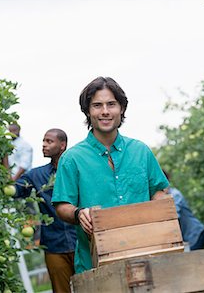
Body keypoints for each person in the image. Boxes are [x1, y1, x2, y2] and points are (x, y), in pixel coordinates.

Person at [52, 76, 169, 274]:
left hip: (145, 257)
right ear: (88, 111)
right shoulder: (72, 158)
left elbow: (158, 191)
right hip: (95, 265)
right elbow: (62, 205)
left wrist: (160, 207)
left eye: (111, 104)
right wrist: (79, 213)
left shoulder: (141, 151)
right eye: (97, 105)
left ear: (121, 108)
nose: (105, 111)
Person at [15, 128, 76, 293]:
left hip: (81, 242)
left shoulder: (75, 169)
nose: (44, 145)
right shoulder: (36, 175)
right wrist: (4, 158)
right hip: (54, 245)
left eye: (49, 141)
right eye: (43, 141)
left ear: (62, 145)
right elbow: (14, 190)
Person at [162, 170, 204, 250]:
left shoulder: (175, 195)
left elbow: (174, 216)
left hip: (195, 234)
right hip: (187, 237)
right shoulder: (162, 199)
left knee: (193, 260)